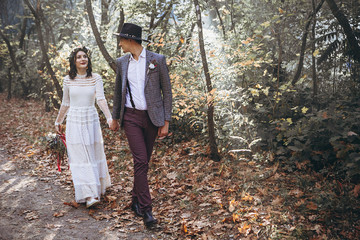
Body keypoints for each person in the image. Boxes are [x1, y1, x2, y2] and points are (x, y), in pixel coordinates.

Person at [110, 23, 172, 227]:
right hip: (131, 118)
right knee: (140, 161)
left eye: (121, 39)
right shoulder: (121, 63)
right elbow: (118, 91)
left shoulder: (157, 60)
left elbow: (167, 93)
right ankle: (147, 211)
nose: (119, 44)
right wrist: (115, 117)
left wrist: (166, 121)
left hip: (152, 119)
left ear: (130, 40)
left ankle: (135, 199)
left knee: (143, 163)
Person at [54, 46, 112, 208]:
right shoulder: (67, 80)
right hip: (74, 120)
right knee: (79, 157)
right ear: (74, 61)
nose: (82, 59)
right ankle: (89, 194)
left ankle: (95, 188)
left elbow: (101, 99)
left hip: (91, 119)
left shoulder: (96, 78)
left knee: (91, 154)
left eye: (85, 56)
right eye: (79, 57)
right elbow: (66, 103)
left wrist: (109, 118)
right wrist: (58, 121)